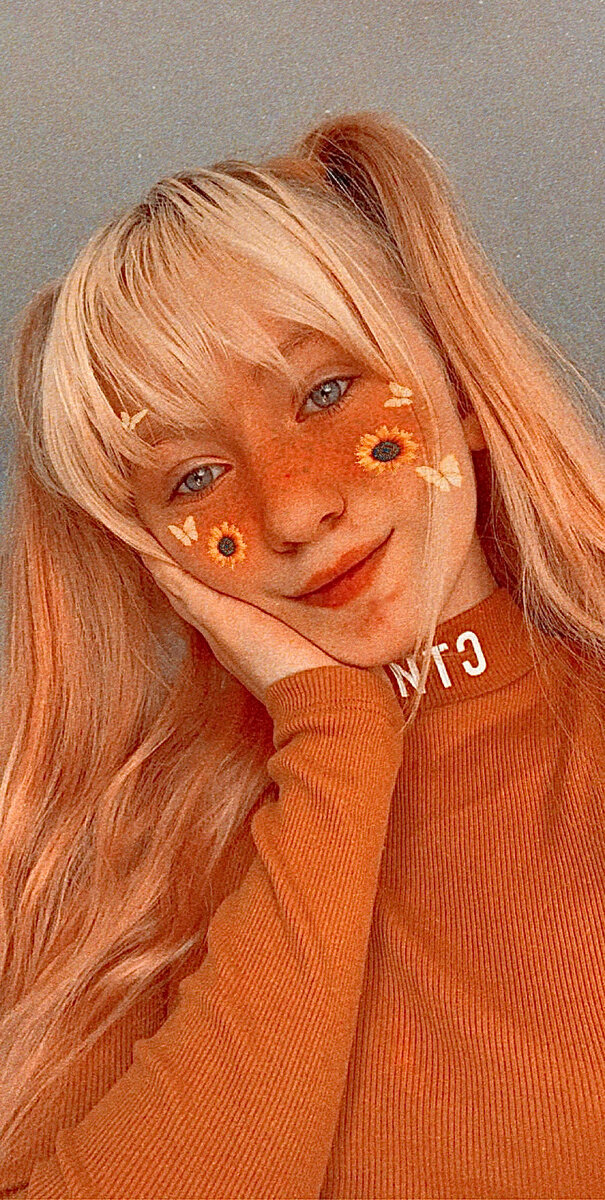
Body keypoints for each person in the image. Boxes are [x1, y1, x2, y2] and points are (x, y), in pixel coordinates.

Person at [0, 109, 603, 1199]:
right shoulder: (112, 887)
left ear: (460, 387)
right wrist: (336, 736)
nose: (290, 511)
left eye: (325, 393)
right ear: (152, 554)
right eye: (192, 478)